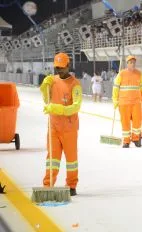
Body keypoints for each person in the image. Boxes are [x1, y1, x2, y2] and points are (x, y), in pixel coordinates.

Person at [40, 52, 82, 196]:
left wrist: (58, 109)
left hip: (69, 128)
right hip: (53, 127)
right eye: (57, 68)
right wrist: (44, 89)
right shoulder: (52, 81)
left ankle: (71, 185)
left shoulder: (75, 84)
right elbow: (47, 101)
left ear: (68, 66)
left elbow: (76, 106)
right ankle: (48, 184)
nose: (59, 70)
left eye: (62, 67)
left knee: (71, 159)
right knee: (52, 158)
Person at [112, 55, 142, 148]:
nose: (132, 64)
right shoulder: (121, 74)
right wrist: (115, 100)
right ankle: (126, 141)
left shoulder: (139, 74)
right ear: (127, 64)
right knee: (125, 122)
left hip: (136, 102)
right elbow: (115, 88)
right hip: (124, 103)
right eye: (130, 62)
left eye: (134, 62)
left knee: (137, 122)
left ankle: (136, 139)